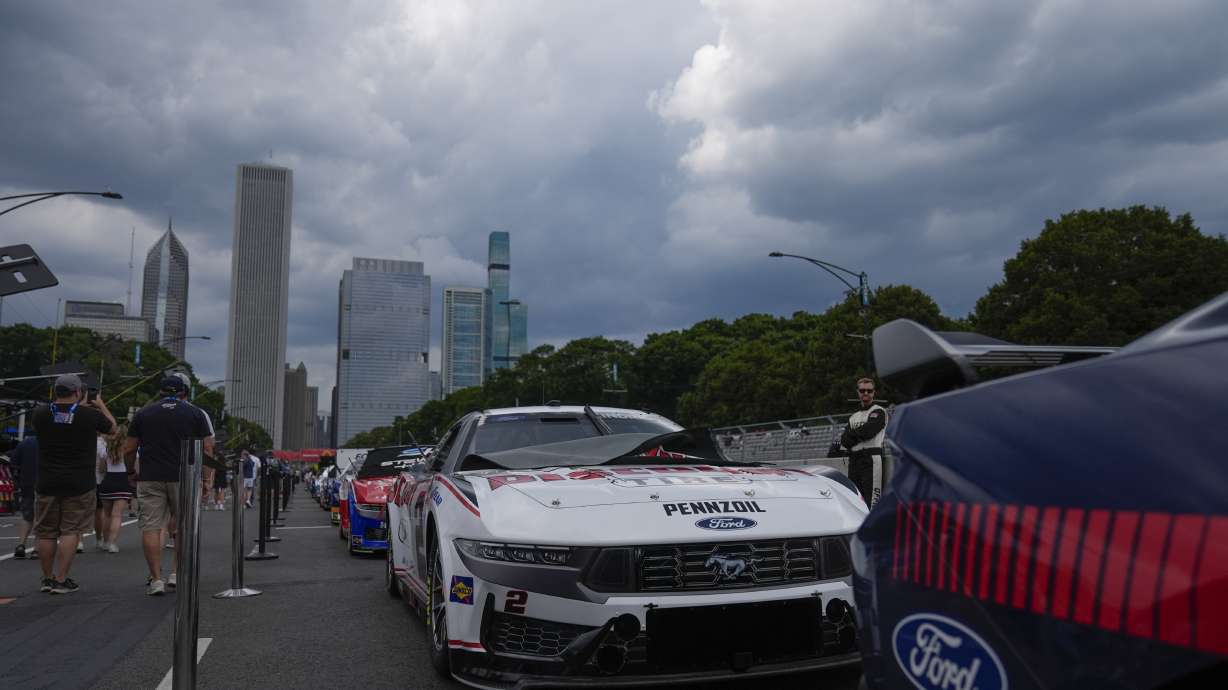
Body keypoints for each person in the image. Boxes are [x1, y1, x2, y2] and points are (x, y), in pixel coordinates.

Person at [124, 375, 213, 596]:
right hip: (186, 476)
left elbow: (129, 449)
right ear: (184, 393)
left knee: (151, 527)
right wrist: (207, 478)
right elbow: (208, 449)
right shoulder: (196, 414)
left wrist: (130, 471)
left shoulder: (143, 414)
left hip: (151, 477)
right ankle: (176, 573)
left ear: (160, 392)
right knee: (184, 526)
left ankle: (156, 579)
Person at [29, 374, 116, 594]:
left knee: (46, 531)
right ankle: (61, 579)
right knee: (70, 530)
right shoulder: (89, 416)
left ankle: (47, 578)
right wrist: (100, 404)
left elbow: (60, 416)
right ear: (78, 392)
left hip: (47, 480)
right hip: (79, 482)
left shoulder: (40, 414)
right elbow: (112, 428)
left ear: (55, 391)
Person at [837, 377, 889, 508]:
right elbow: (844, 440)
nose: (866, 393)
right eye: (862, 390)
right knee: (854, 499)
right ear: (858, 392)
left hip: (871, 460)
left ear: (873, 392)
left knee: (872, 501)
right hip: (854, 461)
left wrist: (853, 435)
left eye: (869, 391)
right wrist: (856, 435)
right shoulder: (853, 417)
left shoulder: (879, 411)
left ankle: (873, 528)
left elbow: (868, 432)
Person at [94, 425, 134, 553]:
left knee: (107, 515)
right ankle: (112, 543)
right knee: (117, 515)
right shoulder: (128, 450)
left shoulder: (105, 450)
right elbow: (132, 467)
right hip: (121, 481)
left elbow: (100, 469)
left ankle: (105, 542)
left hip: (108, 481)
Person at [10, 433, 39, 559]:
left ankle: (21, 544)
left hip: (26, 483)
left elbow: (14, 464)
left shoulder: (24, 443)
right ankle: (36, 549)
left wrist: (18, 481)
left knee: (27, 516)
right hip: (45, 484)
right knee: (41, 517)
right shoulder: (51, 443)